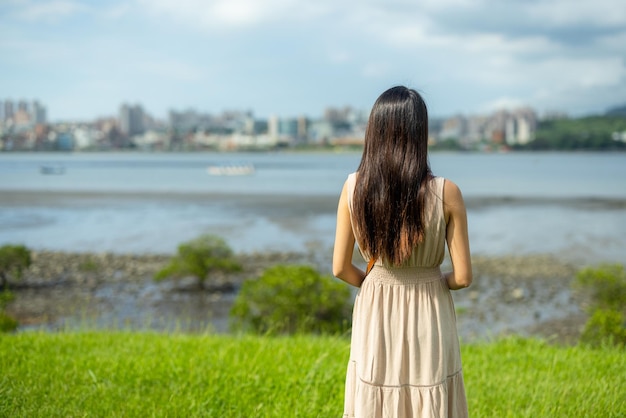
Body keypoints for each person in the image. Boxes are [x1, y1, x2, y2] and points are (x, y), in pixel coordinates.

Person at [333, 85, 472, 418]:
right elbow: (464, 277)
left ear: (374, 132)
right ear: (420, 132)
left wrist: (374, 280)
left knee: (375, 391)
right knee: (430, 390)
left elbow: (340, 267)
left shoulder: (353, 187)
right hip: (430, 304)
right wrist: (434, 279)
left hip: (375, 303)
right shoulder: (446, 192)